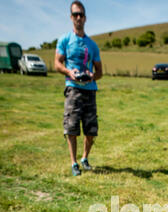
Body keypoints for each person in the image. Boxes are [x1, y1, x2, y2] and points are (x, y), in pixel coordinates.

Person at [55, 1, 103, 176]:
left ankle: (84, 158)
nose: (78, 18)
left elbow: (100, 72)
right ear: (71, 17)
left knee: (91, 130)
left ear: (85, 18)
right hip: (73, 88)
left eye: (81, 14)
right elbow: (56, 64)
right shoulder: (65, 40)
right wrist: (69, 72)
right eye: (75, 14)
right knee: (72, 127)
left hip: (90, 89)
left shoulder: (92, 45)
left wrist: (91, 76)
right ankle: (74, 163)